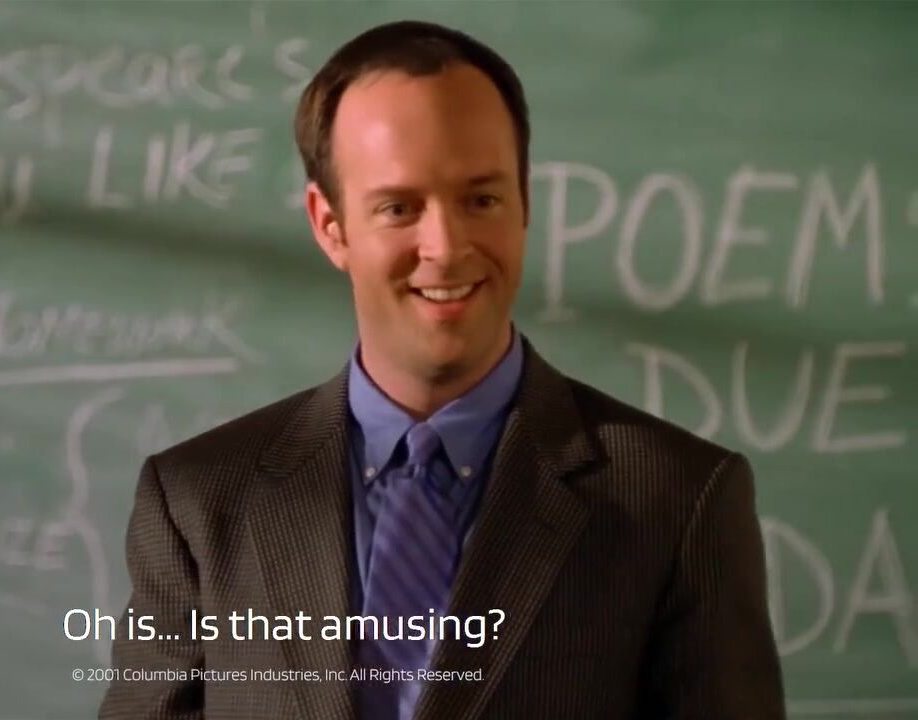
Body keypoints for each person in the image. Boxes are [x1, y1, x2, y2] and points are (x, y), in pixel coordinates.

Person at [99, 20, 784, 720]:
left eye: (480, 200)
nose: (447, 246)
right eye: (399, 207)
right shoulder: (197, 503)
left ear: (524, 202)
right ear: (330, 226)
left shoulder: (677, 500)